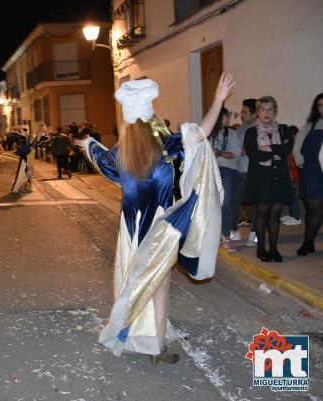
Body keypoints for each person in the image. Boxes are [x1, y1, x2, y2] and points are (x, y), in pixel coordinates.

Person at [81, 74, 231, 364]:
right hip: (161, 229)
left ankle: (148, 335)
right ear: (151, 115)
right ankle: (156, 346)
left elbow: (99, 159)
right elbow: (202, 132)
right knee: (159, 285)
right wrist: (218, 99)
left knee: (135, 281)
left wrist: (87, 144)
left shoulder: (119, 152)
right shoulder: (166, 145)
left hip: (130, 230)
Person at [243, 96, 293, 263]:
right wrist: (276, 149)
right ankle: (260, 247)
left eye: (270, 109)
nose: (266, 112)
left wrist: (267, 148)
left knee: (275, 214)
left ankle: (273, 248)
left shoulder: (284, 129)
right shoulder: (251, 132)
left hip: (280, 177)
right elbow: (253, 154)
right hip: (261, 178)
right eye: (263, 109)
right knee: (262, 213)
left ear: (275, 112)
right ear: (257, 112)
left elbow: (287, 148)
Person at [293, 92, 323, 256]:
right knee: (313, 208)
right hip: (312, 171)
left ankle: (308, 242)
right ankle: (308, 241)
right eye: (320, 105)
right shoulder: (310, 125)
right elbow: (297, 146)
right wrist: (300, 162)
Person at [209, 107, 241, 251]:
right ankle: (214, 235)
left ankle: (227, 237)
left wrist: (220, 152)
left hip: (229, 171)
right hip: (212, 171)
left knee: (226, 204)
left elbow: (236, 155)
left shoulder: (232, 133)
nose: (229, 119)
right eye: (226, 116)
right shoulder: (209, 133)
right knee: (212, 204)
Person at [230, 99, 257, 246]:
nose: (242, 115)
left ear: (254, 114)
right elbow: (234, 148)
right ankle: (233, 231)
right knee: (235, 202)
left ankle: (255, 233)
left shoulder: (261, 128)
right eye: (242, 112)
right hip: (239, 170)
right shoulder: (240, 129)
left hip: (255, 172)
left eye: (245, 112)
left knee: (256, 205)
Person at [10, 126, 35, 193]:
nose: (26, 131)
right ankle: (17, 188)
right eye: (24, 130)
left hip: (28, 158)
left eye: (26, 130)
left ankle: (27, 188)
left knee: (28, 174)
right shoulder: (20, 138)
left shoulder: (27, 138)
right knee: (21, 174)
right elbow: (24, 150)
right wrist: (16, 132)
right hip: (23, 158)